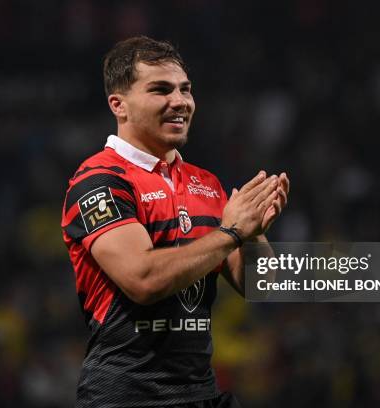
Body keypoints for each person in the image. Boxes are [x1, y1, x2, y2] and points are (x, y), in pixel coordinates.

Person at [61, 36, 289, 408]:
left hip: (200, 393)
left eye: (185, 89)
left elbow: (262, 285)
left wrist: (253, 234)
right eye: (160, 90)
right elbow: (143, 279)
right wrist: (230, 232)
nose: (180, 101)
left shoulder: (206, 183)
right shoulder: (99, 180)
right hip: (128, 395)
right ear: (119, 105)